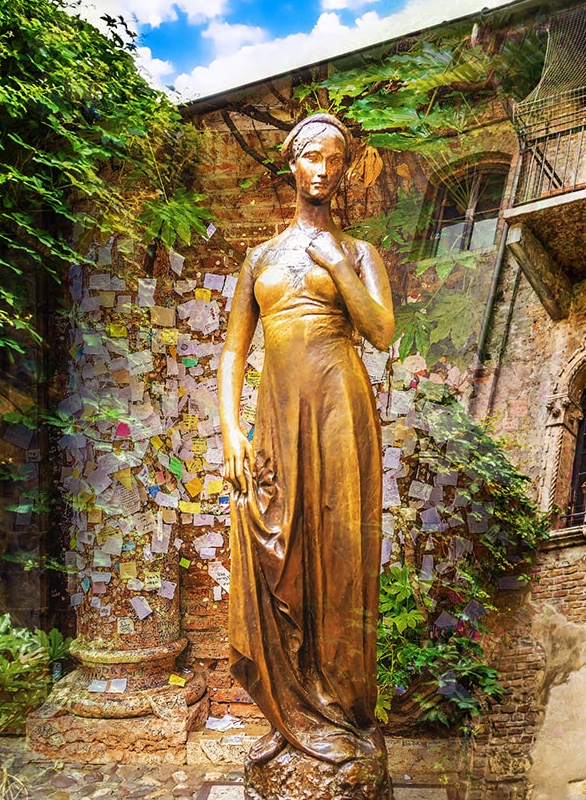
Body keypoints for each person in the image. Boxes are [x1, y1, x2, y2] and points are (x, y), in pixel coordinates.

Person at [218, 112, 394, 770]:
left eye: (335, 161)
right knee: (273, 552)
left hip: (339, 413)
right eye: (311, 157)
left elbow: (380, 331)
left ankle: (341, 711)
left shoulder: (358, 253)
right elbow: (234, 350)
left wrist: (337, 269)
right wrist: (232, 427)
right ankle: (286, 711)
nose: (323, 169)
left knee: (338, 557)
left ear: (344, 172)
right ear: (291, 163)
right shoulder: (258, 259)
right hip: (277, 416)